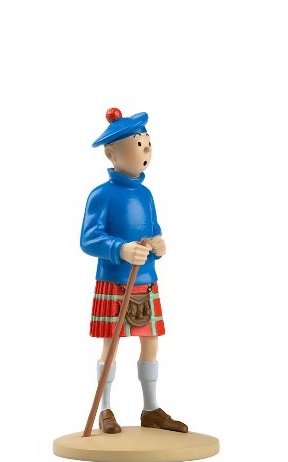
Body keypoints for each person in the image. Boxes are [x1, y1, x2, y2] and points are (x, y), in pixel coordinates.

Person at [80, 108, 188, 435]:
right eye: (139, 145)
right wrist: (120, 249)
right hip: (114, 280)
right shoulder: (100, 195)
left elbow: (153, 228)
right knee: (110, 346)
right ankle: (106, 409)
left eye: (148, 144)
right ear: (112, 154)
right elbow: (89, 239)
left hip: (145, 280)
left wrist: (157, 244)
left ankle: (151, 409)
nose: (146, 150)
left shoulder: (145, 193)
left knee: (151, 342)